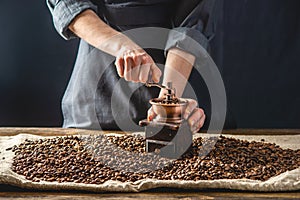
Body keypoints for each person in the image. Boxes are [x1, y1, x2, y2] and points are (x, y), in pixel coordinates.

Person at [46, 0, 227, 132]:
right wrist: (121, 46)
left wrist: (168, 103)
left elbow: (192, 24)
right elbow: (68, 5)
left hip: (183, 80)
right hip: (96, 104)